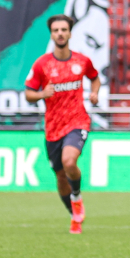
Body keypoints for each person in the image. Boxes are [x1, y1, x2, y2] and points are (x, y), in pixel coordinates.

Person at [24, 15, 100, 234]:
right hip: (53, 128)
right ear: (51, 34)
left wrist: (94, 93)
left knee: (69, 161)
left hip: (77, 120)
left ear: (70, 33)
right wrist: (41, 94)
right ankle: (74, 215)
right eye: (56, 30)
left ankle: (77, 197)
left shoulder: (82, 61)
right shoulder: (42, 64)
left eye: (64, 30)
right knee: (60, 177)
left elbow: (94, 77)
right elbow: (28, 93)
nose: (60, 33)